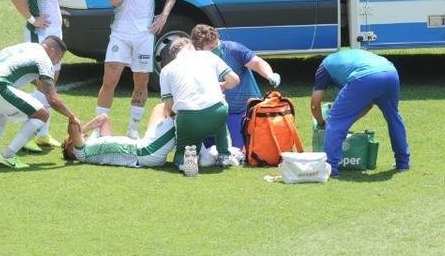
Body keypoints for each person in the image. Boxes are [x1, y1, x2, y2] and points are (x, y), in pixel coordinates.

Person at [94, 0, 178, 139]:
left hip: (145, 35)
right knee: (109, 81)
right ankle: (100, 129)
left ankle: (133, 128)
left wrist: (164, 16)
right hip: (120, 34)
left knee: (141, 83)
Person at [0, 36, 80, 169]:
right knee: (42, 114)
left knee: (1, 112)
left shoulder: (26, 47)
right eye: (59, 58)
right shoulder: (44, 59)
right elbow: (53, 99)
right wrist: (72, 116)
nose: (56, 63)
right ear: (52, 51)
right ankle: (9, 156)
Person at [310, 48, 410, 178]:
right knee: (393, 117)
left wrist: (322, 122)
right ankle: (403, 163)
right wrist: (347, 121)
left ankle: (330, 168)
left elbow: (314, 104)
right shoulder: (348, 60)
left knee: (335, 121)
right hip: (390, 72)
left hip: (366, 77)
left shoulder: (324, 67)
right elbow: (368, 105)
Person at [9, 0, 66, 150]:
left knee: (50, 87)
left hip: (54, 36)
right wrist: (33, 20)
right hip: (41, 37)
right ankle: (26, 130)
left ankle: (42, 133)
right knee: (44, 87)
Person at [159, 31, 240, 177]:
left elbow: (169, 107)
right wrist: (222, 86)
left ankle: (184, 160)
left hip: (188, 118)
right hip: (217, 114)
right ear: (191, 46)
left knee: (183, 148)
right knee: (221, 109)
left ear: (174, 55)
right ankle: (224, 155)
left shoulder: (166, 70)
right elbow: (234, 80)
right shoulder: (208, 56)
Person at [189, 23, 282, 149]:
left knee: (239, 149)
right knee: (206, 148)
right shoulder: (194, 59)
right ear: (198, 49)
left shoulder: (233, 49)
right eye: (211, 48)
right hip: (212, 111)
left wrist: (270, 75)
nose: (216, 48)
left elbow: (258, 63)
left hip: (241, 110)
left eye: (217, 44)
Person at [62, 105, 177, 168]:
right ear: (72, 150)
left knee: (161, 107)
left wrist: (82, 131)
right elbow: (73, 127)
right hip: (145, 153)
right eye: (72, 141)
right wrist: (72, 117)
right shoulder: (82, 154)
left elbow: (103, 118)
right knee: (176, 118)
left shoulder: (95, 143)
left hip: (143, 144)